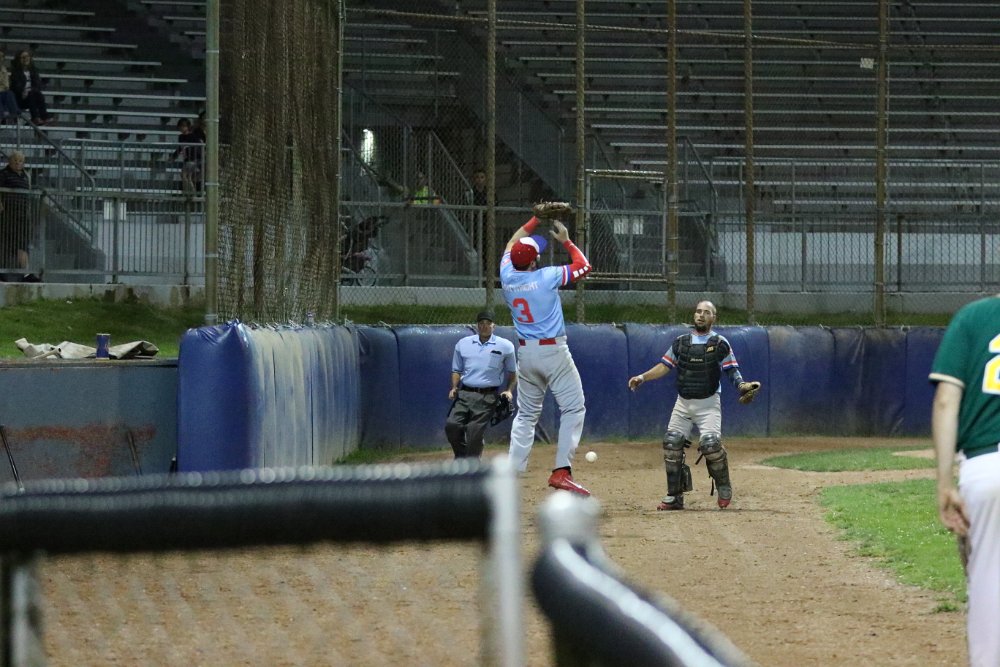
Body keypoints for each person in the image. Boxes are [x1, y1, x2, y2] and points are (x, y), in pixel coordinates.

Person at [628, 301, 759, 510]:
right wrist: (642, 377)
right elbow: (664, 366)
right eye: (698, 311)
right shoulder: (681, 342)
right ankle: (675, 496)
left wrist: (742, 385)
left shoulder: (720, 343)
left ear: (713, 318)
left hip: (708, 404)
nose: (701, 315)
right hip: (683, 403)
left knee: (711, 445)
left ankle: (723, 484)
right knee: (672, 443)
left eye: (706, 312)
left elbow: (731, 370)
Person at [501, 206, 592, 495]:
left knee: (526, 415)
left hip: (526, 354)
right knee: (574, 407)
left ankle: (511, 474)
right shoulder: (546, 276)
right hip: (553, 352)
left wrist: (534, 220)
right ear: (533, 261)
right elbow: (584, 266)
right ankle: (561, 471)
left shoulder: (507, 275)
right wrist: (566, 241)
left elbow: (511, 243)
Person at [931, 294, 1000, 667]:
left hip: (987, 467)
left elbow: (946, 400)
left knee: (988, 583)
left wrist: (945, 483)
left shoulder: (974, 317)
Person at [445, 310, 517, 459]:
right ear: (477, 325)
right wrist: (454, 387)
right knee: (452, 426)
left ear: (494, 326)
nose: (484, 326)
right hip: (465, 394)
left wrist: (509, 390)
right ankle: (461, 457)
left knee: (474, 431)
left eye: (488, 323)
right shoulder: (463, 344)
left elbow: (513, 372)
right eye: (481, 323)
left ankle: (472, 464)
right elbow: (456, 370)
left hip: (488, 396)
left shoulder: (505, 346)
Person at [0, 151, 40, 282]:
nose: (18, 163)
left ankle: (26, 274)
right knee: (5, 244)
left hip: (22, 215)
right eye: (15, 160)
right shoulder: (3, 174)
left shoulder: (25, 176)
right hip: (7, 215)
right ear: (10, 161)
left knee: (22, 244)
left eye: (20, 161)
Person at [9, 50, 53, 125]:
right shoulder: (15, 72)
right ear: (19, 60)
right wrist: (23, 91)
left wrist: (29, 90)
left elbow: (38, 85)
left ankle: (42, 117)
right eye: (23, 57)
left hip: (31, 95)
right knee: (33, 94)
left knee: (37, 94)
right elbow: (16, 86)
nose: (25, 59)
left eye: (27, 57)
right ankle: (37, 117)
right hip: (20, 98)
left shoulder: (33, 70)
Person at [171, 118, 205, 192]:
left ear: (188, 127)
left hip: (194, 159)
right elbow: (180, 148)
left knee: (185, 175)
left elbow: (199, 147)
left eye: (184, 126)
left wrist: (197, 158)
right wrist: (174, 156)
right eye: (180, 127)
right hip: (187, 160)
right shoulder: (181, 137)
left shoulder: (193, 136)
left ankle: (191, 193)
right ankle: (190, 192)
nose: (182, 128)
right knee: (187, 177)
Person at [0, 49, 20, 124]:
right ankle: (2, 115)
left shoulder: (3, 69)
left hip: (2, 92)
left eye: (1, 56)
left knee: (9, 93)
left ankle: (14, 115)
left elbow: (6, 85)